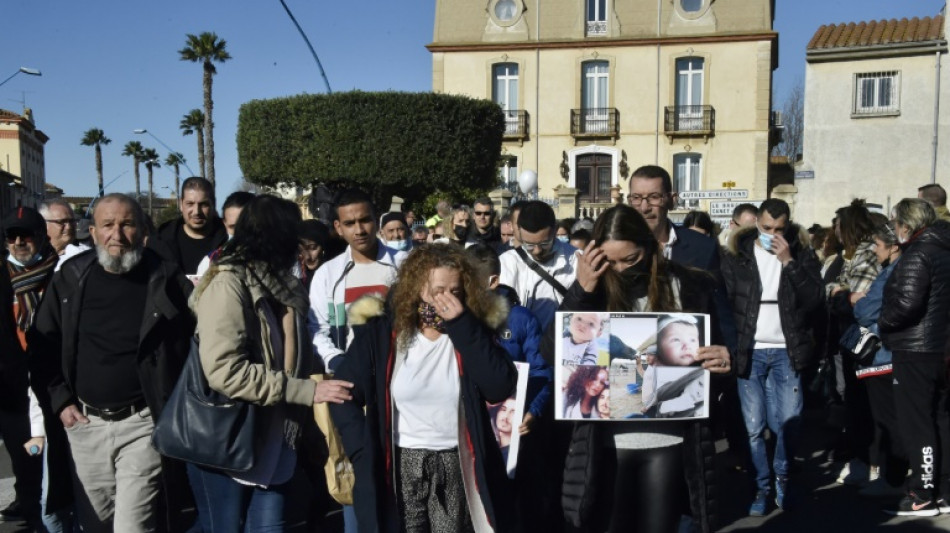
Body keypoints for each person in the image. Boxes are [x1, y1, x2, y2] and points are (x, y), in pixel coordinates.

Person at [557, 204, 732, 533]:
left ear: (649, 247)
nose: (621, 269)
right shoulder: (592, 288)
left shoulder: (689, 284)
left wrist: (723, 360)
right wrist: (582, 290)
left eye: (630, 259)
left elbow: (723, 353)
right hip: (606, 446)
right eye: (611, 261)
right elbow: (554, 353)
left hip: (669, 441)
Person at [31, 194, 195, 532]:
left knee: (132, 526)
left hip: (144, 424)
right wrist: (61, 402)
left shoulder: (166, 279)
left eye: (127, 224)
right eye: (107, 225)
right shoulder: (71, 278)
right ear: (92, 232)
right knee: (96, 524)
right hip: (85, 426)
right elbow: (43, 347)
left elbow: (194, 345)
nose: (116, 235)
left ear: (143, 231)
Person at [189, 194, 354, 530]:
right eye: (292, 234)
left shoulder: (286, 288)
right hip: (226, 438)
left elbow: (296, 358)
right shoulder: (226, 284)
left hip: (277, 441)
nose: (299, 246)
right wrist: (305, 392)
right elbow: (225, 371)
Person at [329, 244, 517, 533]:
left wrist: (462, 326)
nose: (446, 299)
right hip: (402, 462)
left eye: (455, 291)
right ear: (416, 287)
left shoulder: (472, 328)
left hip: (456, 461)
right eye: (437, 290)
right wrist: (361, 450)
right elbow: (342, 394)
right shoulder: (383, 332)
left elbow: (499, 386)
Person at [720, 198, 824, 515]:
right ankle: (761, 487)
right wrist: (730, 348)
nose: (772, 234)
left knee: (789, 423)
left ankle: (783, 479)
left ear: (787, 226)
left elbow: (814, 300)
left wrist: (789, 262)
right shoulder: (737, 255)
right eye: (766, 228)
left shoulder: (801, 254)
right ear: (756, 223)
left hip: (786, 351)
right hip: (750, 351)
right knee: (753, 427)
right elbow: (726, 303)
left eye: (779, 229)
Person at [879, 198, 950, 516]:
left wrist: (882, 320)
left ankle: (922, 493)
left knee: (917, 422)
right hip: (939, 348)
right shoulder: (943, 250)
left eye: (895, 223)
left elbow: (907, 303)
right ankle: (943, 490)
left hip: (916, 349)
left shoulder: (919, 253)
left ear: (906, 225)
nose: (894, 228)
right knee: (940, 419)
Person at [308, 189, 408, 373]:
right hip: (353, 377)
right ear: (338, 228)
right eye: (349, 223)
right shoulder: (327, 274)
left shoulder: (405, 264)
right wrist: (336, 361)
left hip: (402, 371)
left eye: (365, 220)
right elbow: (317, 329)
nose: (359, 230)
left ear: (376, 220)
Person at [0, 207, 52, 529]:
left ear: (42, 237)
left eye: (26, 235)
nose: (19, 242)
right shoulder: (2, 274)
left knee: (51, 460)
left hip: (53, 382)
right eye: (12, 236)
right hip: (12, 386)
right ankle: (30, 511)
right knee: (23, 457)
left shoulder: (61, 272)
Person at [850, 220, 907, 499]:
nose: (874, 249)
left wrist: (858, 299)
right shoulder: (899, 268)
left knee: (887, 420)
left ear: (894, 246)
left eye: (878, 244)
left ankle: (893, 479)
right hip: (897, 355)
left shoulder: (891, 273)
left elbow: (865, 312)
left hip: (884, 356)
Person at [499, 200, 578, 326]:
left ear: (555, 230)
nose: (537, 251)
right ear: (519, 231)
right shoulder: (507, 263)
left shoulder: (577, 260)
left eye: (544, 244)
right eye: (529, 245)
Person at [150, 177, 228, 275]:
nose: (196, 212)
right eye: (190, 204)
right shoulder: (162, 241)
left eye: (203, 204)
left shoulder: (229, 239)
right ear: (181, 204)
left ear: (213, 204)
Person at [194, 191, 255, 278]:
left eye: (245, 227)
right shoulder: (209, 262)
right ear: (225, 224)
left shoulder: (273, 260)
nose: (239, 233)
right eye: (233, 227)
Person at [40, 199, 89, 269]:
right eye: (61, 222)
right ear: (44, 224)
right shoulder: (35, 256)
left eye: (71, 221)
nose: (69, 227)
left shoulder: (84, 257)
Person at [297, 219, 330, 290]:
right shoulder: (298, 277)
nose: (307, 257)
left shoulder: (336, 273)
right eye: (301, 250)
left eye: (312, 248)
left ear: (324, 246)